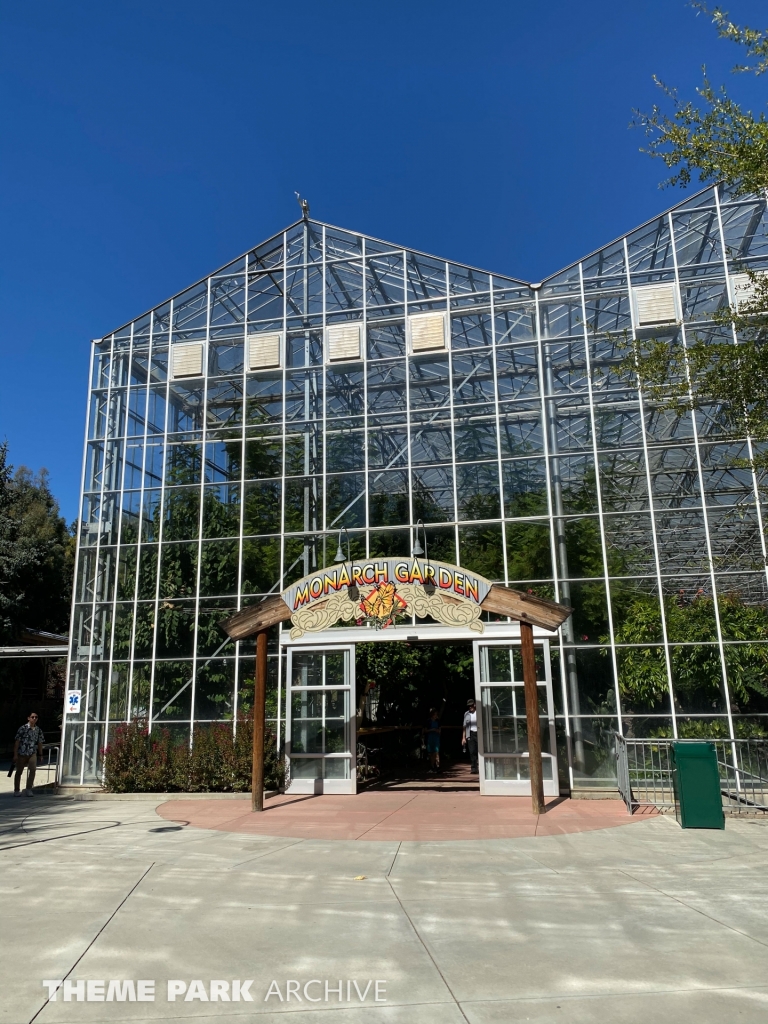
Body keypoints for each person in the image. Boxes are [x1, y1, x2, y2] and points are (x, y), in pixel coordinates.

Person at [13, 712, 44, 797]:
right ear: (28, 718)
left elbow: (40, 742)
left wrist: (40, 754)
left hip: (32, 753)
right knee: (19, 771)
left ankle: (29, 789)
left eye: (36, 717)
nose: (34, 719)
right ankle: (16, 790)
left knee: (33, 770)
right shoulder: (22, 728)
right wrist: (15, 754)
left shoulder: (38, 730)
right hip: (22, 753)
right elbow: (17, 742)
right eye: (32, 717)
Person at [423, 708, 442, 773]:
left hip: (436, 738)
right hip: (430, 738)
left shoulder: (438, 721)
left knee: (436, 752)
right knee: (431, 753)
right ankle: (432, 766)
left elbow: (440, 730)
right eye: (434, 714)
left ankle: (438, 766)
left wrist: (438, 731)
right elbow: (425, 730)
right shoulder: (428, 721)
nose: (436, 716)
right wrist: (432, 730)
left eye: (436, 714)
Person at [462, 698, 478, 774]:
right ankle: (473, 768)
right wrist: (463, 738)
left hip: (478, 733)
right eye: (469, 706)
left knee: (480, 751)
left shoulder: (479, 713)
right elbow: (464, 726)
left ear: (474, 705)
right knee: (472, 751)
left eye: (471, 705)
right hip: (470, 734)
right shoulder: (466, 714)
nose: (470, 707)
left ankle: (481, 767)